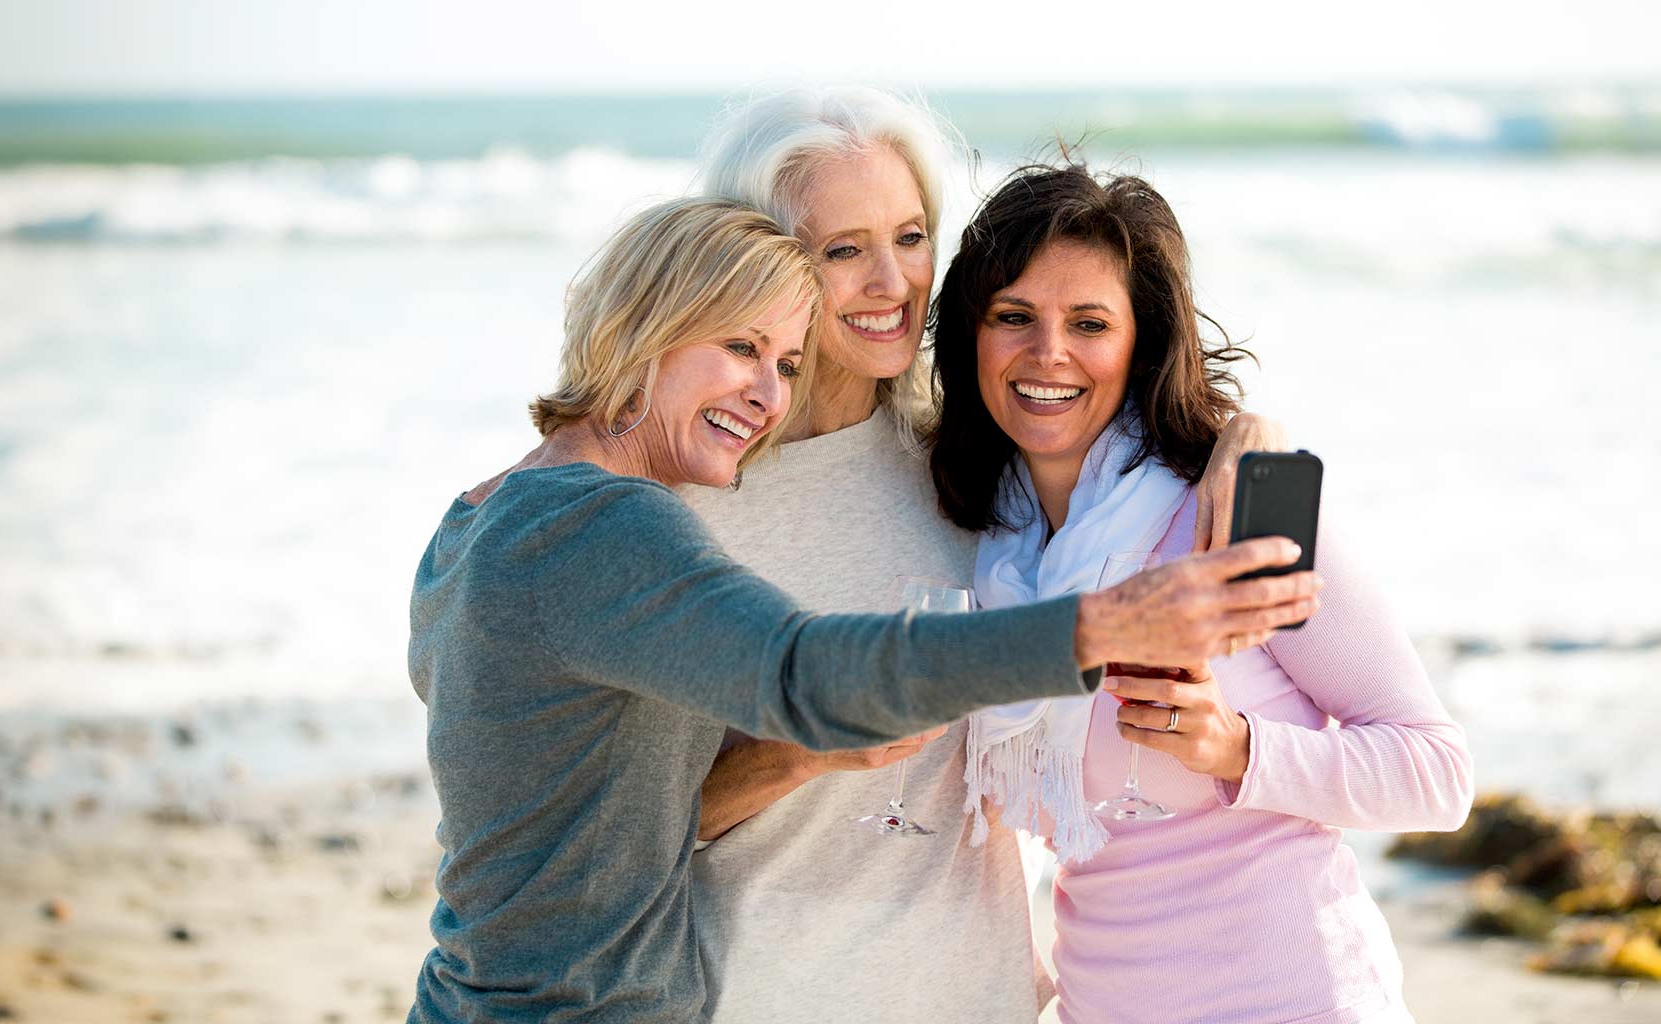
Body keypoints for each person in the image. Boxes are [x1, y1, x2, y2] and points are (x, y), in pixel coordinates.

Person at [406, 195, 1320, 1023]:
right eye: (738, 347)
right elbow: (801, 671)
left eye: (788, 362)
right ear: (645, 329)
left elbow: (578, 811)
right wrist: (1106, 624)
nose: (767, 395)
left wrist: (1241, 428)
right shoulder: (604, 525)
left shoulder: (481, 516)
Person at [682, 86, 1288, 1021]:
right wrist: (802, 749)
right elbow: (620, 830)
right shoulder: (687, 502)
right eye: (842, 250)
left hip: (980, 995)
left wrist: (1254, 432)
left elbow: (1122, 415)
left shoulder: (963, 461)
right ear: (755, 256)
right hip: (766, 992)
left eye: (912, 237)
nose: (894, 284)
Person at [928, 164, 1472, 1023]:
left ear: (1141, 343)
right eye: (1013, 317)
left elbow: (1435, 774)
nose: (1048, 355)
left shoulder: (1231, 509)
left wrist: (1238, 749)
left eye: (1090, 324)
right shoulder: (984, 548)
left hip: (1293, 999)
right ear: (971, 335)